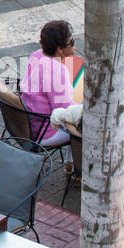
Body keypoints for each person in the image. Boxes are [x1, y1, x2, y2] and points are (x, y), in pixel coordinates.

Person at [19, 20, 77, 162]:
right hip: (46, 132)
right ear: (59, 49)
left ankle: (71, 166)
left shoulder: (37, 55)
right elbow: (64, 111)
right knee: (88, 126)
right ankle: (76, 169)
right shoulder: (57, 70)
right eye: (72, 42)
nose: (75, 46)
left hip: (28, 125)